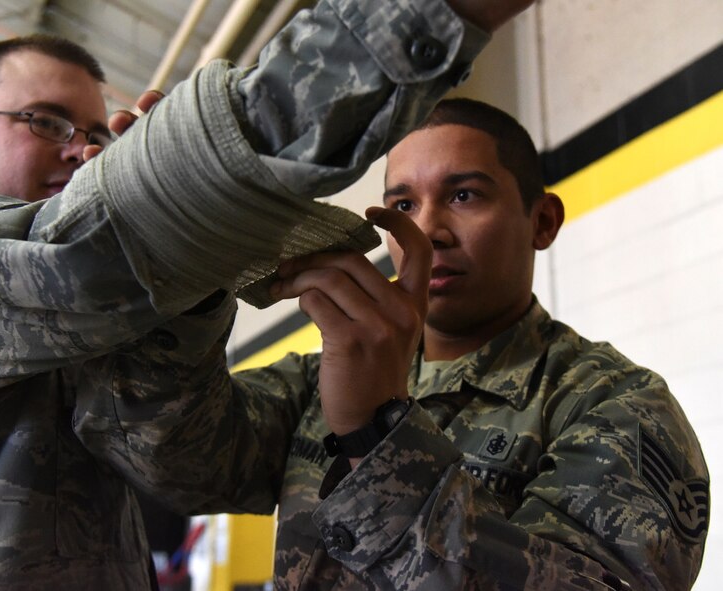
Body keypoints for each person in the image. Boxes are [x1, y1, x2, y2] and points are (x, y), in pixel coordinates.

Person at [0, 0, 534, 588]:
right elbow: (94, 248)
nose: (82, 152)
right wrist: (429, 15)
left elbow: (192, 460)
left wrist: (367, 406)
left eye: (91, 133)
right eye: (46, 122)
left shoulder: (70, 330)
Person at [131, 99, 709, 589]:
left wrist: (376, 430)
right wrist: (180, 260)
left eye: (464, 196)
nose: (428, 230)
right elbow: (171, 457)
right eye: (403, 205)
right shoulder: (316, 382)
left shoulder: (616, 406)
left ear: (542, 221)